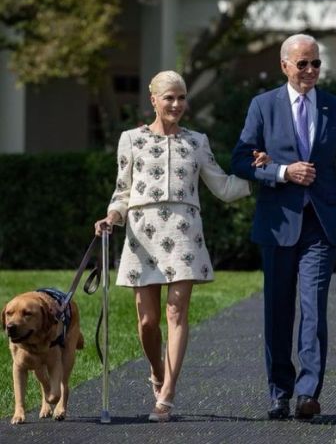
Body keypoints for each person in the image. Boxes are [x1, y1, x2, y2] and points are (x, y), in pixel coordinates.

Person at [94, 70, 263, 422]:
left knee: (176, 313)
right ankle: (157, 370)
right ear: (153, 100)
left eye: (181, 97)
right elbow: (122, 191)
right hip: (142, 234)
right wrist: (112, 216)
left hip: (185, 233)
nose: (176, 104)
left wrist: (259, 173)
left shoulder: (197, 141)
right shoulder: (131, 139)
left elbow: (224, 187)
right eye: (169, 97)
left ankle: (167, 394)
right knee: (147, 322)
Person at [232, 34, 336, 420]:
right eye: (302, 64)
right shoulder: (263, 106)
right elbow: (241, 159)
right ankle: (279, 391)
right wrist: (280, 171)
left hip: (320, 226)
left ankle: (308, 392)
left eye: (316, 64)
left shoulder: (334, 107)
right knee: (278, 310)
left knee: (313, 312)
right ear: (284, 66)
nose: (310, 71)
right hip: (278, 224)